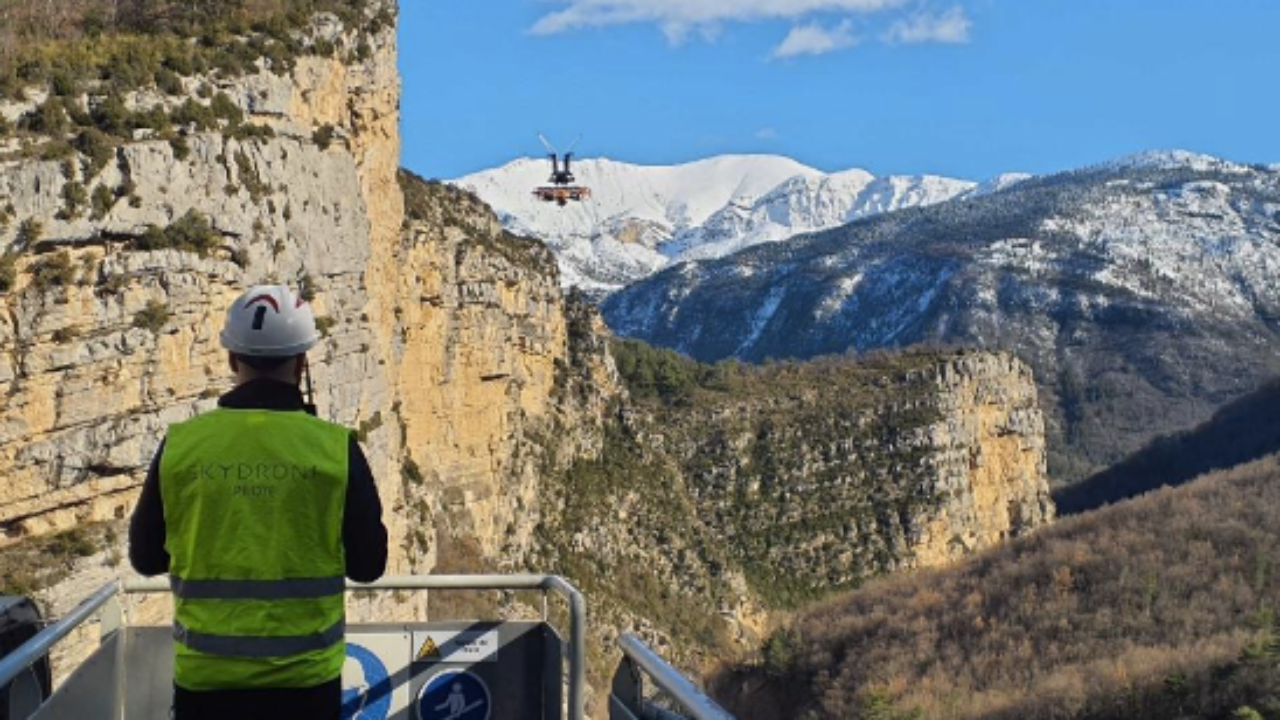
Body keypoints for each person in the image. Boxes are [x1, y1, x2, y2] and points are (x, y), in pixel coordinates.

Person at [129, 284, 388, 720]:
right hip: (306, 683)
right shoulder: (335, 449)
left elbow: (146, 557)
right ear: (302, 361)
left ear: (232, 359)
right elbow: (369, 566)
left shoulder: (181, 446)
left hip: (206, 683)